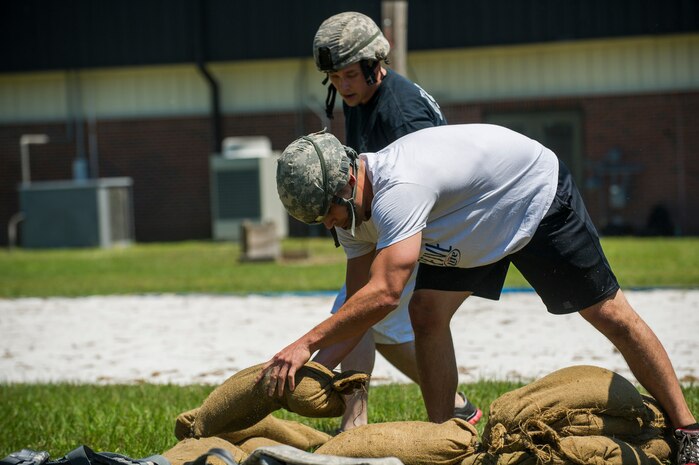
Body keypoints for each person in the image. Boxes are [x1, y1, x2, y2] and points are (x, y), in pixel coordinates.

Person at [263, 125, 698, 465]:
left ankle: (687, 431)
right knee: (427, 313)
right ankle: (444, 443)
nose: (326, 225)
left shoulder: (399, 190)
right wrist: (313, 370)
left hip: (530, 194)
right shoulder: (353, 215)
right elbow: (357, 311)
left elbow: (384, 295)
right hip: (469, 216)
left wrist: (303, 344)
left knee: (610, 314)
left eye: (325, 213)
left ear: (344, 185)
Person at [309, 11, 481, 431]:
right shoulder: (363, 99)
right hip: (405, 223)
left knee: (356, 312)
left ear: (374, 64)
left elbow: (421, 189)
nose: (342, 85)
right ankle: (457, 405)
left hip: (433, 226)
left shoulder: (403, 114)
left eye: (350, 74)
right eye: (335, 77)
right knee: (383, 329)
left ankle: (354, 427)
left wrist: (309, 359)